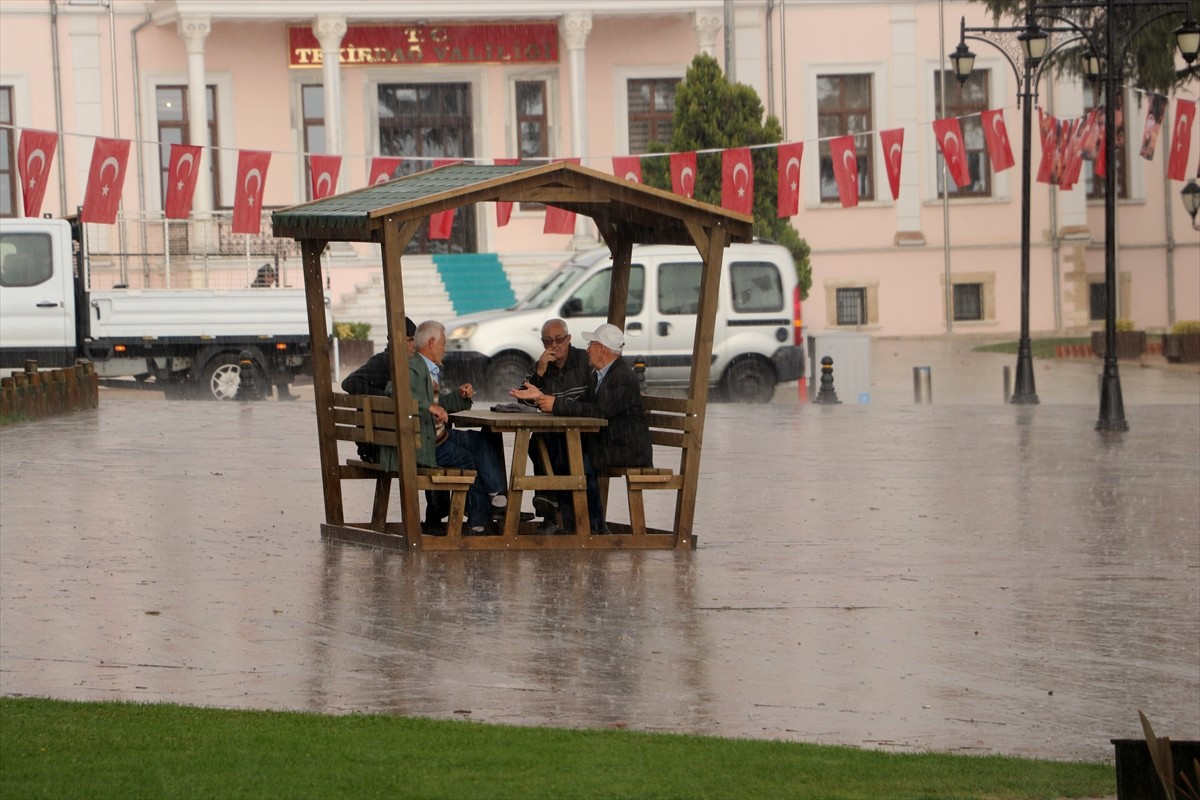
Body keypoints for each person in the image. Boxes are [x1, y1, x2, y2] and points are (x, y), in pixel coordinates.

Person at [511, 322, 652, 534]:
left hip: (626, 448)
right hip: (607, 442)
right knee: (560, 451)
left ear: (602, 349)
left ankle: (594, 526)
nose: (587, 349)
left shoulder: (621, 375)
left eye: (591, 345)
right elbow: (583, 404)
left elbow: (599, 411)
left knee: (580, 461)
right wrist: (540, 397)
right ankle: (570, 522)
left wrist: (555, 404)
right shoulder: (600, 375)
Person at [394, 320, 509, 536]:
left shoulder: (426, 369)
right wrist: (428, 406)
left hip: (437, 437)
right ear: (431, 342)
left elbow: (438, 404)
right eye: (443, 344)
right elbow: (396, 392)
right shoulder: (412, 368)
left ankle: (496, 498)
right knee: (468, 459)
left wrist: (460, 397)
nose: (445, 349)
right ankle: (479, 519)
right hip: (426, 446)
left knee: (482, 440)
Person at [524, 318, 591, 533]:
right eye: (547, 341)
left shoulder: (584, 361)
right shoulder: (542, 365)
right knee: (538, 440)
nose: (554, 345)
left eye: (559, 339)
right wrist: (540, 372)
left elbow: (594, 402)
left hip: (585, 433)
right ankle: (549, 503)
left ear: (568, 339)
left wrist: (559, 406)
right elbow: (522, 397)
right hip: (556, 431)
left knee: (552, 443)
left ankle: (549, 503)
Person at [340, 316, 417, 462]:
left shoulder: (407, 364)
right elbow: (349, 383)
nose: (413, 345)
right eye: (409, 340)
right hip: (379, 447)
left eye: (415, 340)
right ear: (395, 341)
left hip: (387, 443)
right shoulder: (383, 362)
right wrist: (384, 399)